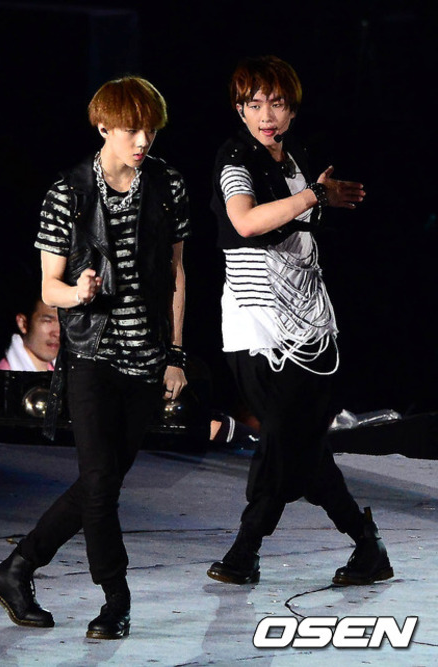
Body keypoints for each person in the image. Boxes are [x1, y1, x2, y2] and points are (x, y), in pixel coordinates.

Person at [0, 76, 190, 639]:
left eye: (150, 130)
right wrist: (79, 292)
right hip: (91, 354)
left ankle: (16, 569)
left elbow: (176, 272)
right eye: (131, 129)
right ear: (103, 126)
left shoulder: (167, 184)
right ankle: (115, 598)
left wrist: (175, 354)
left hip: (147, 359)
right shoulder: (68, 192)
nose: (142, 140)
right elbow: (49, 287)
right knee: (99, 480)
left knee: (103, 483)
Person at [207, 55, 393, 588]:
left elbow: (299, 226)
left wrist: (320, 199)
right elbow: (245, 221)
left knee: (295, 444)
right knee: (290, 440)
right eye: (255, 104)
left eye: (278, 103)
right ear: (240, 109)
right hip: (256, 329)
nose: (267, 115)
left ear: (292, 110)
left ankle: (355, 549)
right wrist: (313, 196)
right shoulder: (234, 159)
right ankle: (255, 550)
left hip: (312, 328)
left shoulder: (297, 161)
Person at [0, 293, 60, 371]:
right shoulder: (4, 375)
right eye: (47, 321)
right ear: (23, 323)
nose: (57, 333)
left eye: (63, 322)